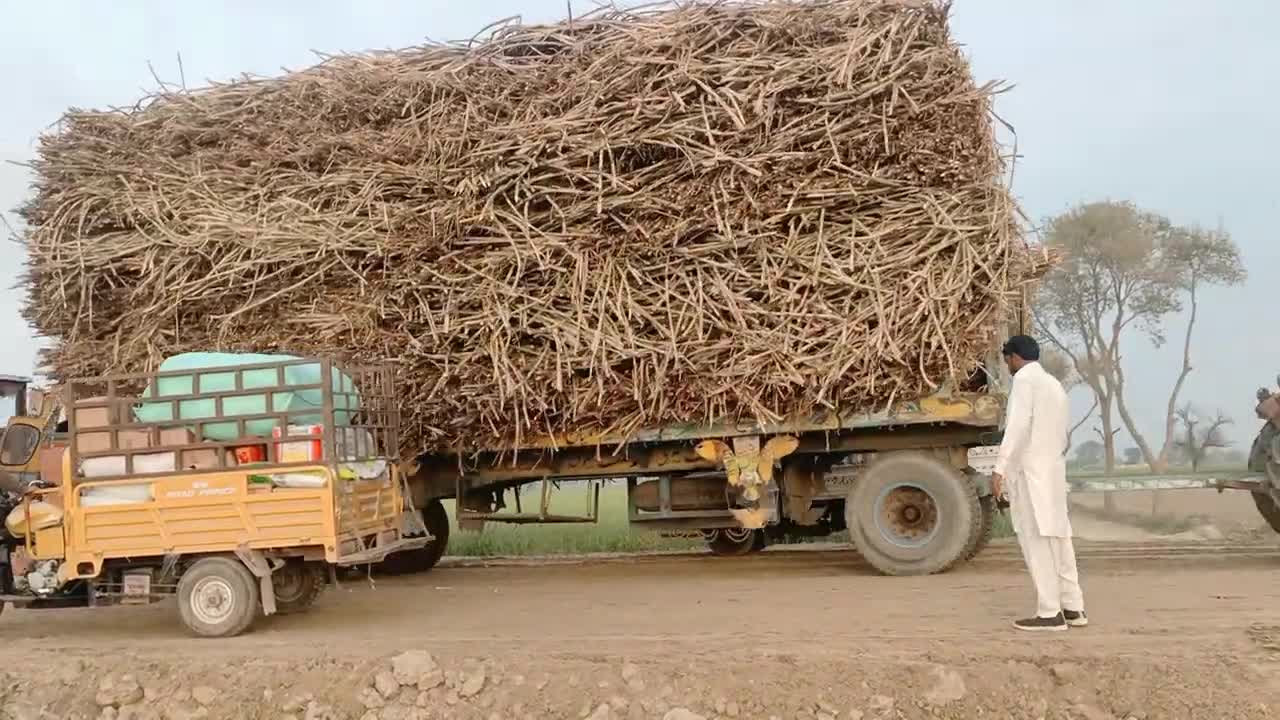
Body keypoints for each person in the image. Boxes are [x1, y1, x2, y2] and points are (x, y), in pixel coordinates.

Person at [991, 335, 1087, 632]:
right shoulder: (1054, 385)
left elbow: (1018, 426)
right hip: (1053, 471)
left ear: (1015, 357)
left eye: (1007, 359)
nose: (1007, 364)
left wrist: (999, 469)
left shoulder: (1024, 382)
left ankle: (1049, 613)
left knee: (1037, 541)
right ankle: (1073, 607)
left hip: (1032, 473)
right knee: (1059, 538)